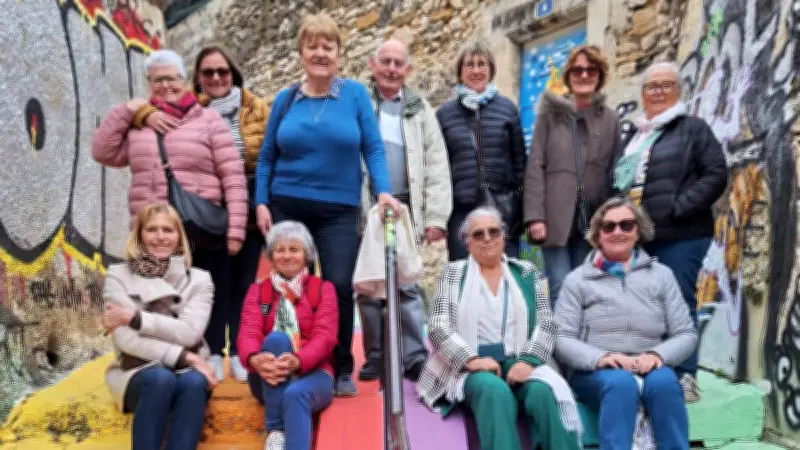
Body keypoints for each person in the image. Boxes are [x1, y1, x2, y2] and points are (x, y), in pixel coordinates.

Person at [255, 13, 400, 397]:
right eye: (312, 46)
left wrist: (383, 191)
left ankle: (339, 366)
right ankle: (290, 357)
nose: (320, 53)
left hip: (338, 209)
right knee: (288, 285)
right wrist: (261, 201)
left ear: (339, 53)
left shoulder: (353, 95)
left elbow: (373, 149)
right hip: (288, 206)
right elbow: (267, 156)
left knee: (336, 285)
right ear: (301, 52)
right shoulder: (286, 100)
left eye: (328, 46)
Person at [92, 49, 248, 383]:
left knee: (211, 294)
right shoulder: (138, 128)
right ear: (148, 84)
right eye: (157, 80)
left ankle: (219, 356)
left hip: (202, 226)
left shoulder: (209, 120)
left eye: (171, 78)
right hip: (156, 233)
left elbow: (233, 176)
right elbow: (102, 151)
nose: (166, 86)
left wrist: (235, 229)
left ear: (184, 80)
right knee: (160, 301)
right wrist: (131, 109)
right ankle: (178, 361)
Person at [132, 45, 270, 382]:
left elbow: (266, 158)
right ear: (197, 78)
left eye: (222, 71)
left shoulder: (257, 109)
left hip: (248, 206)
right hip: (208, 214)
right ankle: (209, 351)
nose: (216, 78)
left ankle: (239, 350)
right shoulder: (183, 111)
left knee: (244, 285)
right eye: (208, 73)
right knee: (212, 286)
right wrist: (139, 113)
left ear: (232, 74)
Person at [416, 207, 582, 450]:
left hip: (521, 362)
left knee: (544, 394)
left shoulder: (526, 272)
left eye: (494, 232)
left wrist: (528, 361)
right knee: (494, 392)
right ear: (467, 243)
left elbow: (547, 322)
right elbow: (439, 326)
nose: (487, 238)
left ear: (504, 237)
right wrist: (471, 360)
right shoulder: (453, 273)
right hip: (470, 368)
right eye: (478, 234)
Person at [613, 61, 727, 402]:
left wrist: (678, 207)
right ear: (643, 94)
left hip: (682, 233)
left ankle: (685, 375)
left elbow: (715, 174)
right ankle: (650, 369)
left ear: (678, 91)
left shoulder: (693, 128)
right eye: (651, 86)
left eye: (666, 85)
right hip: (640, 237)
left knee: (678, 301)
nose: (658, 92)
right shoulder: (635, 135)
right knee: (644, 305)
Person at [555, 196, 698, 450]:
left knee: (665, 384)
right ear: (598, 235)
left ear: (638, 231)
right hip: (596, 371)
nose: (617, 232)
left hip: (650, 365)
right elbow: (561, 338)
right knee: (620, 384)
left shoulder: (662, 276)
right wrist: (601, 357)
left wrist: (657, 355)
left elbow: (686, 333)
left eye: (626, 225)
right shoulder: (577, 280)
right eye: (608, 226)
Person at [356, 39, 452, 382]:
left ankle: (412, 354)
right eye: (386, 61)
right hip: (368, 208)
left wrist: (436, 217)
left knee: (408, 282)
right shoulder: (360, 103)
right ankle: (376, 354)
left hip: (407, 208)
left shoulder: (419, 109)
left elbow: (437, 164)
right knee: (369, 284)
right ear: (372, 64)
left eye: (399, 63)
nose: (392, 69)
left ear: (408, 70)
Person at [102, 204, 218, 450]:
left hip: (187, 373)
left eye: (168, 229)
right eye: (152, 230)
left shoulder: (199, 279)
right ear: (139, 235)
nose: (160, 237)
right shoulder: (117, 275)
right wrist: (186, 356)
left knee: (193, 383)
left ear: (179, 237)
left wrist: (136, 317)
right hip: (137, 372)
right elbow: (126, 340)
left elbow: (189, 332)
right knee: (160, 379)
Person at [524, 45, 621, 305]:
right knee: (561, 287)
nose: (584, 75)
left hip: (593, 220)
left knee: (588, 288)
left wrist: (613, 220)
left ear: (599, 75)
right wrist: (535, 216)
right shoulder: (549, 116)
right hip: (555, 218)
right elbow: (535, 165)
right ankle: (561, 346)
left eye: (591, 70)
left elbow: (617, 172)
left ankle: (583, 344)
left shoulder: (611, 120)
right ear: (568, 75)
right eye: (577, 70)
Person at [237, 221, 337, 450]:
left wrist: (299, 361)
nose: (287, 255)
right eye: (280, 250)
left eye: (294, 249)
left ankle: (279, 432)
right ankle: (276, 429)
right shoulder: (258, 291)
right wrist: (254, 359)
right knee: (276, 340)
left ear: (306, 255)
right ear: (270, 256)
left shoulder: (323, 289)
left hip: (314, 373)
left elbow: (325, 336)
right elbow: (248, 332)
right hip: (267, 374)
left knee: (295, 394)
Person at [437, 40, 527, 260]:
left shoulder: (507, 109)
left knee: (506, 273)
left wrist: (523, 210)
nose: (476, 70)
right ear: (460, 71)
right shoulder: (444, 114)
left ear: (491, 69)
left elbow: (520, 164)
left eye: (482, 64)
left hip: (502, 208)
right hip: (461, 210)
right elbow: (439, 167)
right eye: (469, 65)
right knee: (463, 276)